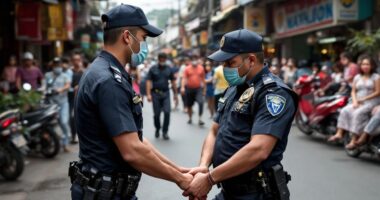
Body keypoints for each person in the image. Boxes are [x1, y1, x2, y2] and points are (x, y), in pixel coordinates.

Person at [70, 4, 192, 200]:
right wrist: (181, 180)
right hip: (104, 194)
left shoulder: (104, 70)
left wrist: (179, 170)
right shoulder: (109, 80)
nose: (144, 45)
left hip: (107, 191)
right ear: (127, 37)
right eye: (143, 38)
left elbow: (138, 140)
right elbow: (133, 151)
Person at [183, 29, 297, 200]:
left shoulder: (273, 93)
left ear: (251, 60)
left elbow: (259, 149)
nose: (225, 68)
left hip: (256, 193)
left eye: (230, 63)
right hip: (228, 189)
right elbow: (215, 131)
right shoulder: (234, 88)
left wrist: (209, 179)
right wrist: (204, 166)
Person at [328, 56, 380, 146]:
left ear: (372, 66)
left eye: (367, 64)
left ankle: (353, 139)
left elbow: (377, 92)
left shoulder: (376, 77)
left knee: (357, 113)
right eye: (363, 64)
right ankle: (339, 133)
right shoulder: (357, 77)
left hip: (371, 101)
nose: (365, 66)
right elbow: (353, 91)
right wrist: (355, 101)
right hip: (358, 100)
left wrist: (364, 99)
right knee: (345, 110)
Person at [146, 53, 178, 140]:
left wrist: (175, 95)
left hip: (166, 93)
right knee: (157, 114)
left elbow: (173, 82)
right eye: (161, 59)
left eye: (164, 59)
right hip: (155, 94)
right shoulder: (153, 69)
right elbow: (148, 81)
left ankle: (165, 132)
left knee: (167, 112)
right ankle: (157, 128)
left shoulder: (169, 69)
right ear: (159, 59)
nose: (163, 61)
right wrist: (148, 94)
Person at [45, 57, 71, 152]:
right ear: (53, 66)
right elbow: (44, 86)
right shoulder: (48, 75)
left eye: (59, 65)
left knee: (63, 122)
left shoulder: (65, 76)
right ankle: (51, 143)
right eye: (55, 65)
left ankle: (66, 143)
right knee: (51, 124)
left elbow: (68, 85)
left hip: (63, 103)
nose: (57, 67)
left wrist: (61, 89)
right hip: (51, 104)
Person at [181, 56, 206, 126]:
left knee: (201, 102)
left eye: (195, 59)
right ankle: (190, 118)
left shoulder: (201, 68)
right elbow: (184, 78)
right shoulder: (187, 68)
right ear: (191, 61)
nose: (194, 61)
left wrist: (204, 90)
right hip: (189, 89)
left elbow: (203, 79)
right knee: (189, 105)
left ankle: (200, 118)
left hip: (198, 89)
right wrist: (182, 87)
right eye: (193, 60)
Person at [69, 52, 84, 144]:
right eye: (74, 60)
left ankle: (79, 135)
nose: (76, 62)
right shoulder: (69, 72)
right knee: (71, 117)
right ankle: (73, 135)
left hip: (81, 98)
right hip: (70, 98)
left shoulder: (84, 72)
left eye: (78, 60)